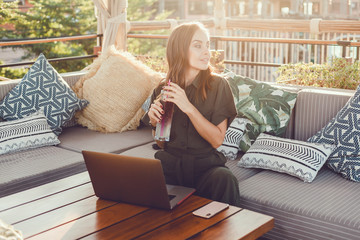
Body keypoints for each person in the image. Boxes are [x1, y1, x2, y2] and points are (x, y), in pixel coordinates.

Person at [143, 22, 240, 206]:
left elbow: (217, 140)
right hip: (169, 167)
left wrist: (188, 107)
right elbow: (161, 143)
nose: (207, 52)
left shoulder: (218, 86)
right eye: (198, 45)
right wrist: (156, 124)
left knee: (225, 179)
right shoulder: (163, 89)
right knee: (135, 180)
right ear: (180, 50)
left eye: (208, 45)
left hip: (206, 169)